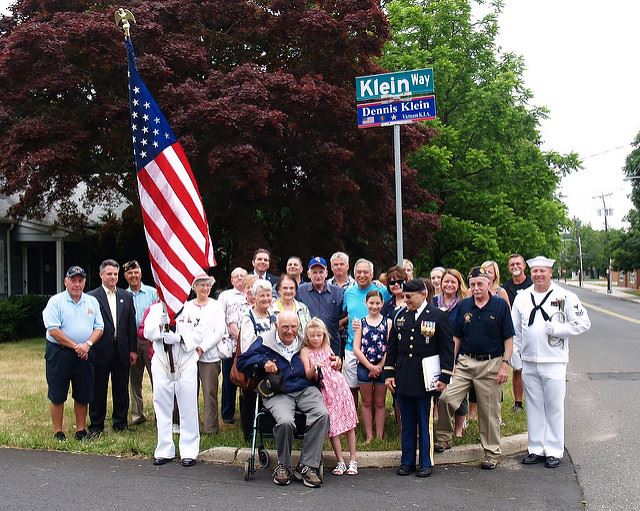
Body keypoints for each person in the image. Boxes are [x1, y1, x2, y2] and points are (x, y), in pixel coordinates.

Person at [511, 256, 591, 469]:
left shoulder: (565, 296)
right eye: (535, 271)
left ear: (550, 273)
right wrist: (515, 357)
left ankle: (554, 450)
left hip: (554, 360)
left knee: (554, 407)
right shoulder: (522, 298)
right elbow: (515, 330)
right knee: (534, 406)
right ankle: (536, 448)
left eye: (542, 271)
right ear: (531, 273)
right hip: (529, 361)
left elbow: (583, 322)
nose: (538, 274)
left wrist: (559, 329)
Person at [237, 311, 330, 488]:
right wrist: (263, 362)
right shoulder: (265, 341)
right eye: (285, 327)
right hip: (278, 391)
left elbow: (325, 353)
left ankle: (307, 465)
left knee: (322, 414)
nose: (289, 331)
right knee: (286, 422)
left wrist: (335, 361)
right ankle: (284, 466)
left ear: (298, 326)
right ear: (276, 326)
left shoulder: (304, 340)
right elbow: (242, 361)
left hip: (305, 388)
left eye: (293, 327)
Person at [435, 266, 514, 470]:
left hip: (491, 363)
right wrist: (450, 365)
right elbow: (456, 337)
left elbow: (508, 338)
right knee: (446, 399)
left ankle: (491, 453)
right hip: (465, 362)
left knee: (489, 412)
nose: (476, 288)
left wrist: (505, 364)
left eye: (480, 284)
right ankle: (444, 438)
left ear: (489, 283)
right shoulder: (464, 305)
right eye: (473, 284)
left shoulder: (499, 306)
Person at [384, 279, 454, 477]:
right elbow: (392, 347)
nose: (406, 300)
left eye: (409, 296)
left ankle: (425, 461)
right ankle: (407, 461)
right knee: (407, 422)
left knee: (424, 423)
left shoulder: (438, 316)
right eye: (404, 296)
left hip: (426, 379)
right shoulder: (400, 316)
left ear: (423, 294)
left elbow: (447, 349)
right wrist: (389, 373)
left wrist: (444, 377)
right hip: (404, 377)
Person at [42, 266, 104, 441]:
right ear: (66, 281)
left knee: (83, 393)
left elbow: (99, 327)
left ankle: (81, 430)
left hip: (85, 352)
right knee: (57, 393)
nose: (77, 284)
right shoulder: (55, 302)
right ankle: (58, 431)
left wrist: (88, 344)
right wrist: (76, 346)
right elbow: (53, 330)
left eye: (80, 280)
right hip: (59, 353)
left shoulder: (92, 301)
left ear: (84, 282)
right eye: (73, 280)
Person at [143, 301, 201, 467]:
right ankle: (164, 449)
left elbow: (199, 335)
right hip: (162, 362)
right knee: (162, 407)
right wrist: (161, 327)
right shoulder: (155, 310)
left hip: (186, 362)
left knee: (188, 407)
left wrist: (180, 338)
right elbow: (147, 332)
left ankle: (189, 450)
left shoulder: (192, 309)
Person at [300, 318, 358, 476]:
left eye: (319, 335)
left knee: (349, 425)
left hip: (340, 388)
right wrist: (315, 366)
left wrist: (338, 362)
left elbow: (336, 364)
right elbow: (308, 374)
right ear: (307, 336)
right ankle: (340, 461)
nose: (316, 339)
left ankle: (353, 459)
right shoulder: (305, 351)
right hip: (326, 391)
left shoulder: (326, 347)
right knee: (333, 428)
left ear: (324, 335)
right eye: (312, 336)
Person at [88, 259, 137, 436]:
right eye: (109, 274)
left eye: (116, 274)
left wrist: (133, 349)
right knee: (98, 389)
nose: (113, 277)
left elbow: (131, 325)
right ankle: (96, 425)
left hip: (122, 350)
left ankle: (120, 423)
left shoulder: (126, 296)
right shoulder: (92, 297)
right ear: (101, 275)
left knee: (121, 388)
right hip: (100, 350)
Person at [342, 259, 390, 406]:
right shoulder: (348, 292)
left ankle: (374, 417)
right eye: (359, 272)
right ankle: (353, 417)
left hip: (376, 349)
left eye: (365, 272)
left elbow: (387, 313)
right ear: (354, 273)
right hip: (353, 347)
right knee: (352, 387)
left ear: (372, 274)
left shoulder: (382, 291)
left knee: (375, 392)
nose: (362, 275)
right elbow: (346, 313)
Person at [238, 279, 276, 439]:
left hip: (271, 363)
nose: (266, 298)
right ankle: (250, 433)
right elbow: (247, 348)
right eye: (262, 295)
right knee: (251, 397)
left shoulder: (273, 316)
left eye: (268, 295)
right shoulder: (249, 318)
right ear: (254, 297)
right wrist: (262, 360)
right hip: (255, 364)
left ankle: (268, 429)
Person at [188, 273, 226, 435]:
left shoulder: (216, 306)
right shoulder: (187, 306)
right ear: (195, 287)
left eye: (208, 285)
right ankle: (192, 426)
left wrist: (202, 347)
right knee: (190, 392)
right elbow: (184, 328)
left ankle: (211, 428)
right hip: (189, 355)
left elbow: (219, 331)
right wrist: (191, 346)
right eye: (201, 285)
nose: (205, 288)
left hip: (210, 357)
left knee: (210, 392)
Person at [434, 268, 469, 437]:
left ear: (458, 284)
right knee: (437, 389)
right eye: (446, 281)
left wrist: (452, 361)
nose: (449, 284)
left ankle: (459, 429)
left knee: (458, 391)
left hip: (458, 352)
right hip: (435, 352)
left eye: (452, 282)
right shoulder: (433, 302)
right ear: (441, 284)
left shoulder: (463, 304)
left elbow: (458, 335)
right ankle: (439, 423)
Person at [123, 260, 158, 426]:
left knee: (156, 377)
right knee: (134, 380)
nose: (133, 275)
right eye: (130, 273)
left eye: (136, 272)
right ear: (125, 276)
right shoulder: (123, 295)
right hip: (132, 341)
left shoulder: (153, 293)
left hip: (151, 341)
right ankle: (138, 414)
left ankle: (160, 413)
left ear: (141, 273)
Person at [353, 290, 390, 443]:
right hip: (364, 367)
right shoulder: (361, 323)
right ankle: (369, 436)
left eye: (377, 303)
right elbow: (356, 348)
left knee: (380, 403)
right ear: (366, 303)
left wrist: (379, 366)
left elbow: (389, 347)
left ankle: (380, 436)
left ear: (382, 303)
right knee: (367, 402)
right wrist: (369, 367)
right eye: (371, 303)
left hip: (382, 366)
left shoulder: (388, 322)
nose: (374, 306)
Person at [217, 267, 248, 424]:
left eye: (243, 276)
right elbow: (219, 317)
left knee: (247, 380)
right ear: (231, 280)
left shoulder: (252, 294)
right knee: (229, 379)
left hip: (249, 346)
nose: (240, 278)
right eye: (237, 276)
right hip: (231, 345)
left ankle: (246, 413)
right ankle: (227, 414)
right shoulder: (225, 296)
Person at [502, 253, 532, 413]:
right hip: (514, 333)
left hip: (532, 331)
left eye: (518, 264)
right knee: (517, 369)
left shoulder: (533, 284)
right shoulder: (506, 288)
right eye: (512, 264)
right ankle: (518, 403)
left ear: (524, 266)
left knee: (533, 369)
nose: (515, 267)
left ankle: (535, 402)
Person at [296, 256, 344, 357]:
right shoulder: (300, 291)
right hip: (308, 345)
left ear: (326, 273)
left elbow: (347, 313)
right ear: (308, 274)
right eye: (314, 272)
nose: (318, 275)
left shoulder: (339, 292)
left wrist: (340, 323)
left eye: (321, 272)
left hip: (332, 343)